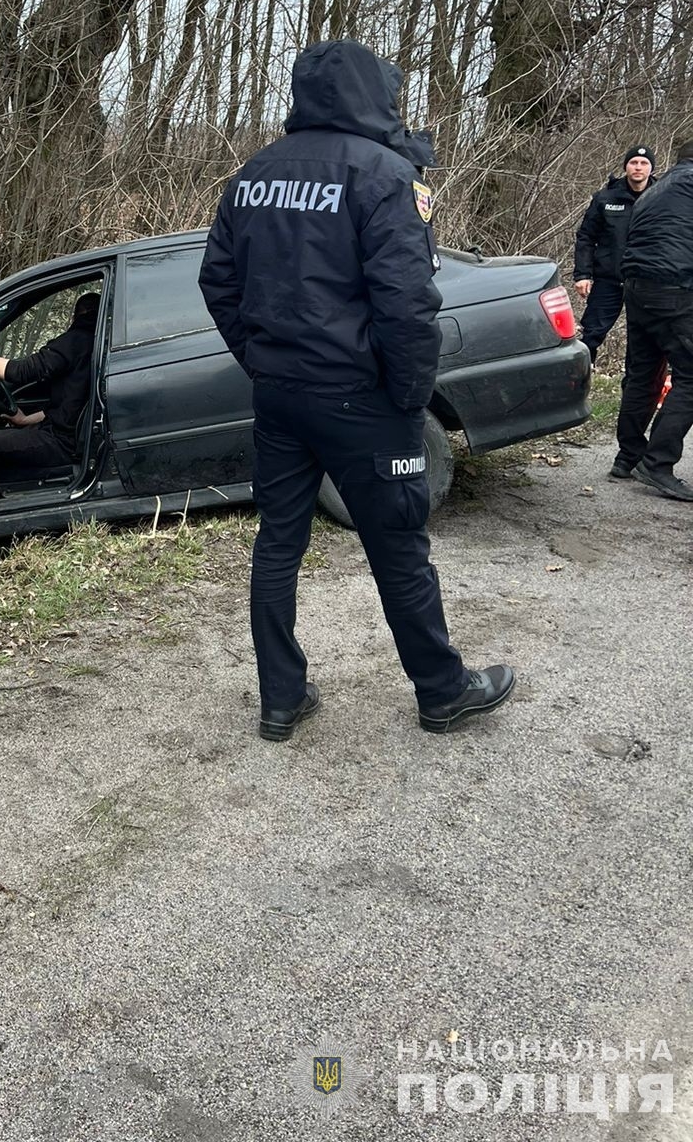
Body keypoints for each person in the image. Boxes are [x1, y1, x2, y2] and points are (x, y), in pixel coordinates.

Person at [198, 38, 515, 739]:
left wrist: (260, 359)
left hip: (279, 395)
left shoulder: (254, 173)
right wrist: (407, 396)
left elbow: (216, 281)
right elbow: (407, 303)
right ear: (373, 95)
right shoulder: (384, 173)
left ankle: (281, 698)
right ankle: (442, 692)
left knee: (278, 542)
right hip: (359, 399)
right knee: (399, 546)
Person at [0, 292, 99, 502]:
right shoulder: (92, 344)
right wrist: (24, 420)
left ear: (77, 315)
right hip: (66, 435)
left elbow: (23, 371)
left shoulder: (75, 341)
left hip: (62, 442)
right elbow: (67, 408)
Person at [611, 140, 693, 500]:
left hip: (638, 288)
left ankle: (628, 455)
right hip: (675, 289)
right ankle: (657, 463)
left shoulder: (657, 188)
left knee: (644, 372)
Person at [573, 146, 655, 365]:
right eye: (634, 162)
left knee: (650, 338)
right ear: (626, 166)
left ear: (651, 168)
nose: (638, 167)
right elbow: (586, 237)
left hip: (649, 282)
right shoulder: (605, 198)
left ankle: (642, 391)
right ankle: (578, 382)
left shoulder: (662, 197)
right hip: (609, 279)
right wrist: (582, 274)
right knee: (590, 334)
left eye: (643, 163)